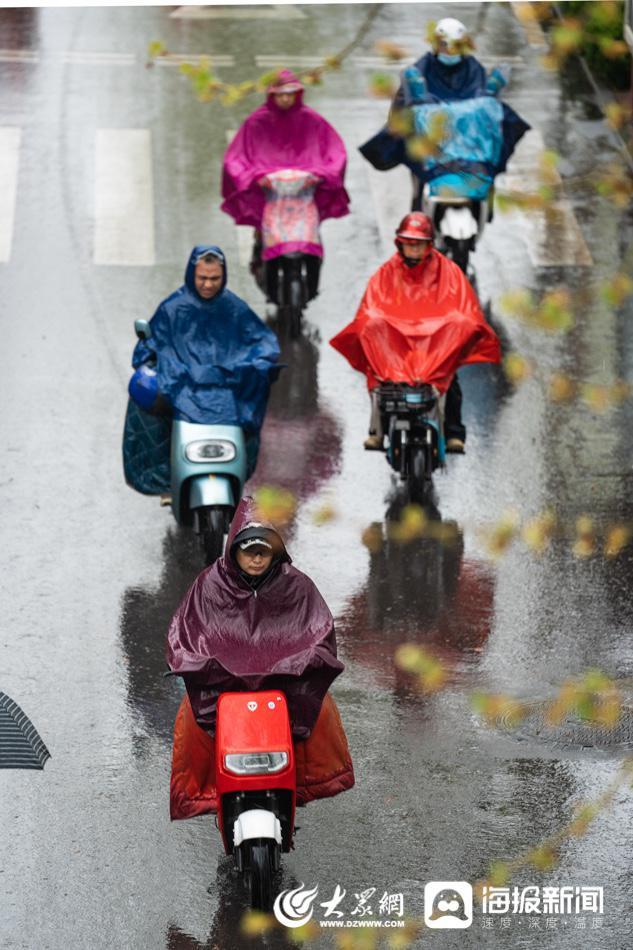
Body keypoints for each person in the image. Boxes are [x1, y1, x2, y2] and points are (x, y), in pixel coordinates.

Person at [167, 495, 354, 819]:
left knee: (320, 711)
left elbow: (318, 632)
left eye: (263, 551)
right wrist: (198, 665)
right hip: (221, 684)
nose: (255, 559)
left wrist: (301, 663)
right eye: (247, 550)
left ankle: (302, 786)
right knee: (191, 721)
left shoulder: (297, 586)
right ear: (233, 551)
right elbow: (186, 633)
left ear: (275, 551)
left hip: (285, 683)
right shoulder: (208, 585)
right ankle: (205, 795)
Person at [329, 212, 501, 453]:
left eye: (418, 244)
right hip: (397, 348)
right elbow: (372, 307)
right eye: (408, 244)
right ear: (400, 243)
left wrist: (458, 325)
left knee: (449, 377)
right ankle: (377, 431)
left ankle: (454, 433)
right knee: (378, 371)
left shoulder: (448, 271)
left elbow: (464, 307)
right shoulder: (387, 271)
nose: (413, 250)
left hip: (434, 345)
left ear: (428, 244)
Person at [127, 244, 280, 484]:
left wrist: (258, 362)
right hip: (182, 389)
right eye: (202, 278)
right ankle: (165, 474)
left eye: (214, 278)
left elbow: (262, 341)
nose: (208, 285)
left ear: (223, 276)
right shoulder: (172, 309)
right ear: (192, 274)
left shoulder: (235, 309)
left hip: (225, 390)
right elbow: (151, 344)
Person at [221, 69, 350, 299]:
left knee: (313, 240)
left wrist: (324, 173)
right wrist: (251, 177)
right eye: (280, 94)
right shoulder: (256, 123)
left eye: (290, 93)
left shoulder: (313, 121)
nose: (285, 99)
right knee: (265, 237)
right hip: (269, 197)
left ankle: (312, 286)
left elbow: (335, 151)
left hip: (304, 198)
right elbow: (236, 158)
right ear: (272, 94)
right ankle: (260, 257)